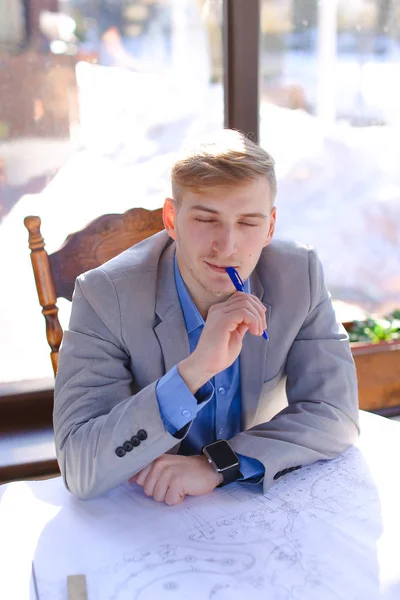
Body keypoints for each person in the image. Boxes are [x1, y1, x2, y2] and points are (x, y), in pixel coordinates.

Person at [54, 129, 359, 503]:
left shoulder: (301, 273)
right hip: (148, 516)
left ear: (271, 226)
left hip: (254, 507)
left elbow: (335, 413)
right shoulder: (104, 295)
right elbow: (78, 466)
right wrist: (193, 372)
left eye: (248, 223)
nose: (228, 246)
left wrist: (217, 465)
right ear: (171, 218)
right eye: (206, 219)